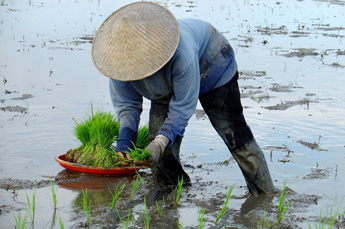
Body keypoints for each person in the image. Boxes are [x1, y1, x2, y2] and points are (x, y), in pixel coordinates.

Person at [92, 1, 274, 196]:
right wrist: (125, 140)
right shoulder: (117, 64)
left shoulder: (179, 52)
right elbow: (128, 106)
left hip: (213, 64)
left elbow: (184, 105)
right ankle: (172, 193)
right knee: (159, 151)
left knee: (235, 135)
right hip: (164, 85)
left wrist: (162, 140)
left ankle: (265, 195)